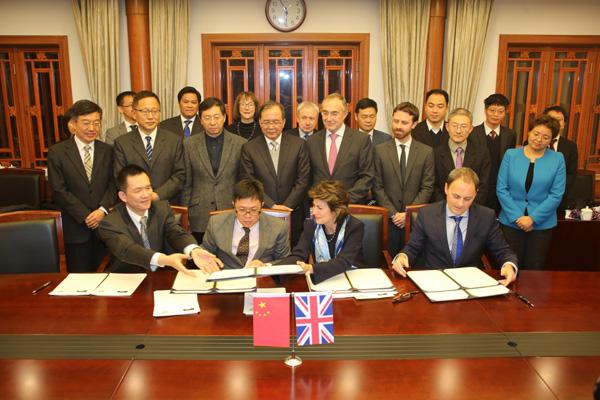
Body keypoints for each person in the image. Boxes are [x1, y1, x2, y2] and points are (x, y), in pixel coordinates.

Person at [392, 167, 518, 286]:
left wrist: (509, 265)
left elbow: (502, 250)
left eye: (467, 198)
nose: (460, 204)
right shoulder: (427, 214)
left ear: (475, 194)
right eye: (456, 196)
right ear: (446, 188)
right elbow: (413, 248)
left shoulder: (486, 217)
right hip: (434, 282)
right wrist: (403, 257)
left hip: (470, 283)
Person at [98, 164, 222, 274]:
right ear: (123, 196)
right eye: (138, 190)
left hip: (161, 276)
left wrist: (193, 250)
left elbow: (176, 233)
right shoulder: (110, 223)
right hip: (126, 279)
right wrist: (165, 260)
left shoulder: (161, 209)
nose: (146, 195)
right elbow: (127, 249)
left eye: (148, 188)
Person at [47, 100, 117, 272]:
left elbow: (114, 184)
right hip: (76, 227)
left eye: (96, 123)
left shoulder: (108, 150)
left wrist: (102, 210)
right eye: (86, 123)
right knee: (79, 280)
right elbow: (58, 189)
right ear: (73, 125)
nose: (92, 128)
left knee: (106, 278)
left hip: (104, 226)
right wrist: (85, 215)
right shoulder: (57, 152)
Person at [497, 115, 566, 269]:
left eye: (545, 137)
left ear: (551, 140)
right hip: (511, 222)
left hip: (541, 225)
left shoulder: (557, 159)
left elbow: (556, 194)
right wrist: (518, 217)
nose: (539, 139)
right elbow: (502, 189)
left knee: (535, 268)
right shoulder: (511, 155)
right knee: (510, 266)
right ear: (528, 132)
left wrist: (533, 218)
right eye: (536, 134)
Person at [240, 101, 311, 245]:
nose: (271, 126)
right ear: (259, 122)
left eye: (276, 122)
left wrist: (285, 207)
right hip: (262, 213)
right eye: (266, 122)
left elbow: (303, 180)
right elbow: (249, 181)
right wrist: (272, 206)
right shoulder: (249, 148)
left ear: (284, 122)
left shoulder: (299, 145)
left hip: (294, 212)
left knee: (293, 258)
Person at [373, 102, 435, 256]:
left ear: (414, 124)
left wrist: (408, 214)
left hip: (415, 221)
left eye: (404, 122)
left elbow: (427, 187)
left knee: (413, 263)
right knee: (386, 263)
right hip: (388, 220)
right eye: (395, 121)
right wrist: (394, 214)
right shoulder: (379, 151)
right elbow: (377, 186)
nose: (398, 126)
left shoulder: (426, 152)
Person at [182, 97, 246, 243]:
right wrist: (185, 215)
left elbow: (242, 181)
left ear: (224, 117)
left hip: (230, 209)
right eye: (207, 118)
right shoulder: (189, 144)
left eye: (216, 117)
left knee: (229, 259)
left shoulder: (239, 143)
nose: (212, 122)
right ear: (201, 120)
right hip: (199, 212)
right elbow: (186, 183)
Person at [277, 180, 367, 284]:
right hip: (324, 280)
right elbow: (298, 255)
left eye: (319, 208)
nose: (314, 212)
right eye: (314, 206)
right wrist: (269, 268)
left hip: (353, 279)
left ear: (337, 210)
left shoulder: (354, 227)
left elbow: (344, 261)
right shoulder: (310, 225)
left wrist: (312, 268)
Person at [113, 91, 185, 204]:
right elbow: (120, 177)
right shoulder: (122, 143)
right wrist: (141, 195)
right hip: (135, 204)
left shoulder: (174, 140)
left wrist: (157, 195)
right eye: (145, 111)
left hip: (167, 204)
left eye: (155, 111)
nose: (150, 116)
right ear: (134, 113)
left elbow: (180, 174)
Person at [201, 179, 290, 269]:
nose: (248, 216)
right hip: (226, 278)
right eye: (242, 209)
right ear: (233, 205)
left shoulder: (278, 227)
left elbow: (285, 260)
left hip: (260, 278)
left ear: (262, 205)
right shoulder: (216, 223)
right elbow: (204, 253)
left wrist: (265, 266)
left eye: (254, 210)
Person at [306, 93, 374, 204]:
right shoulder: (311, 141)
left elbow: (367, 177)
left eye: (334, 114)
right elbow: (307, 178)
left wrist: (344, 200)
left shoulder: (361, 140)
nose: (328, 118)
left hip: (350, 206)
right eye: (325, 113)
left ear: (345, 114)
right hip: (320, 207)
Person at [469, 93, 517, 212]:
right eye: (492, 110)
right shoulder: (473, 133)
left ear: (505, 113)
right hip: (479, 187)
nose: (496, 115)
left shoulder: (510, 134)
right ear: (485, 110)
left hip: (500, 187)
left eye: (500, 111)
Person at [433, 108, 491, 205]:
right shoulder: (435, 153)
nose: (458, 131)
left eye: (464, 126)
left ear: (471, 129)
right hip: (442, 208)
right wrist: (447, 206)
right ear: (447, 127)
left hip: (472, 209)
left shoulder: (482, 153)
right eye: (454, 126)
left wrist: (467, 206)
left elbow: (483, 186)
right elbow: (434, 186)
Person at [544, 105, 579, 211]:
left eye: (559, 120)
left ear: (564, 124)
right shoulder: (532, 142)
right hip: (535, 197)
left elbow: (571, 174)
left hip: (560, 198)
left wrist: (557, 192)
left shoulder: (570, 146)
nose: (554, 123)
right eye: (551, 119)